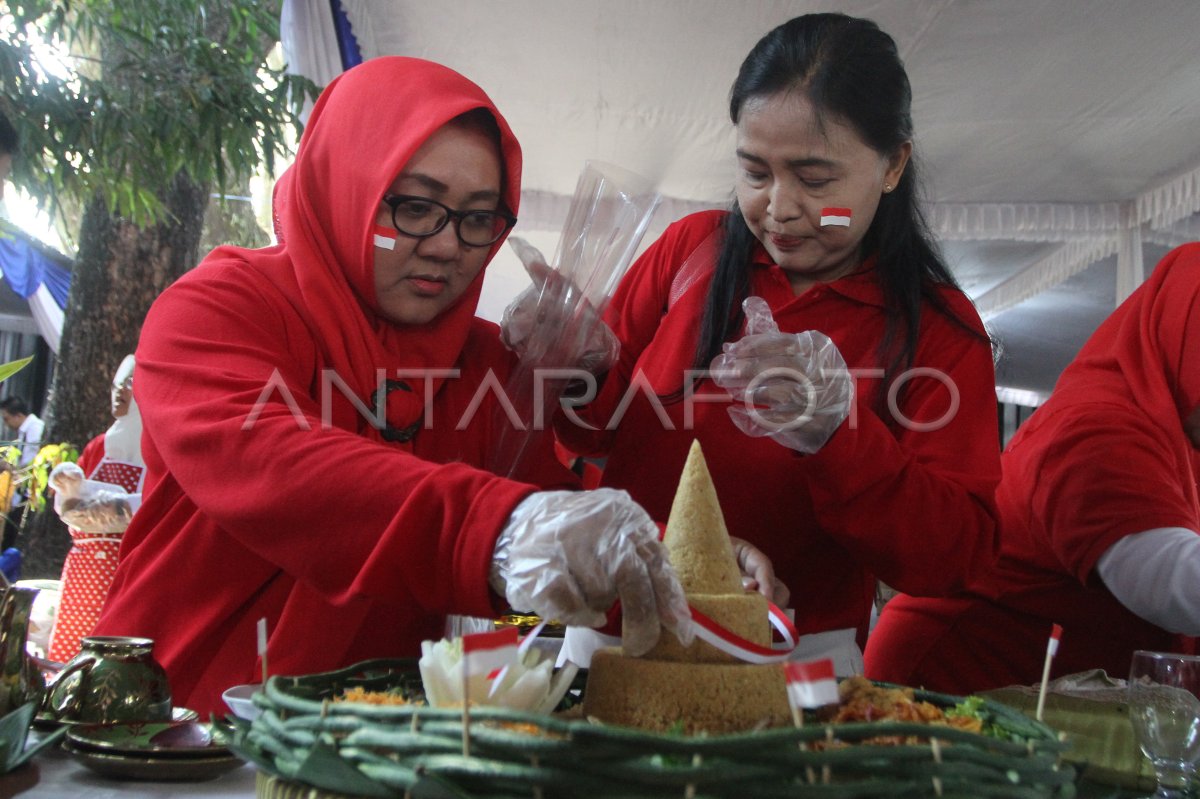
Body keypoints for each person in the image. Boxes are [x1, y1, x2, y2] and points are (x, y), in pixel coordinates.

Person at [91, 56, 695, 717]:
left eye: (477, 217)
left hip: (376, 749)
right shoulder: (217, 310)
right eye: (413, 206)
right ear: (344, 183)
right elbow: (278, 470)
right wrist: (495, 530)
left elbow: (539, 579)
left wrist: (676, 553)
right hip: (176, 735)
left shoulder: (488, 367)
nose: (446, 245)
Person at [541, 13, 1001, 673]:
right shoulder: (690, 251)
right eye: (755, 173)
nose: (779, 208)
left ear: (893, 163)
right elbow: (591, 434)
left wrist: (837, 437)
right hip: (616, 637)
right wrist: (575, 368)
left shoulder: (936, 327)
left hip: (792, 661)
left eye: (815, 181)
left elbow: (953, 555)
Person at [865, 243, 1200, 693]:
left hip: (1070, 711)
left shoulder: (1180, 428)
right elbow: (1171, 586)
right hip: (959, 691)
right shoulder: (1097, 432)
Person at [46, 354, 144, 664]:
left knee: (113, 650)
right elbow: (66, 504)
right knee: (71, 647)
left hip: (126, 567)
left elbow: (152, 505)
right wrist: (67, 486)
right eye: (116, 384)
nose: (119, 392)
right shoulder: (99, 446)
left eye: (128, 384)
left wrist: (104, 507)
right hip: (84, 566)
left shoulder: (155, 447)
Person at [0, 395, 45, 550]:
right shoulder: (23, 432)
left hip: (29, 488)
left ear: (18, 415)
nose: (6, 424)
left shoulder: (35, 428)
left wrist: (10, 467)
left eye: (6, 419)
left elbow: (32, 460)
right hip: (20, 487)